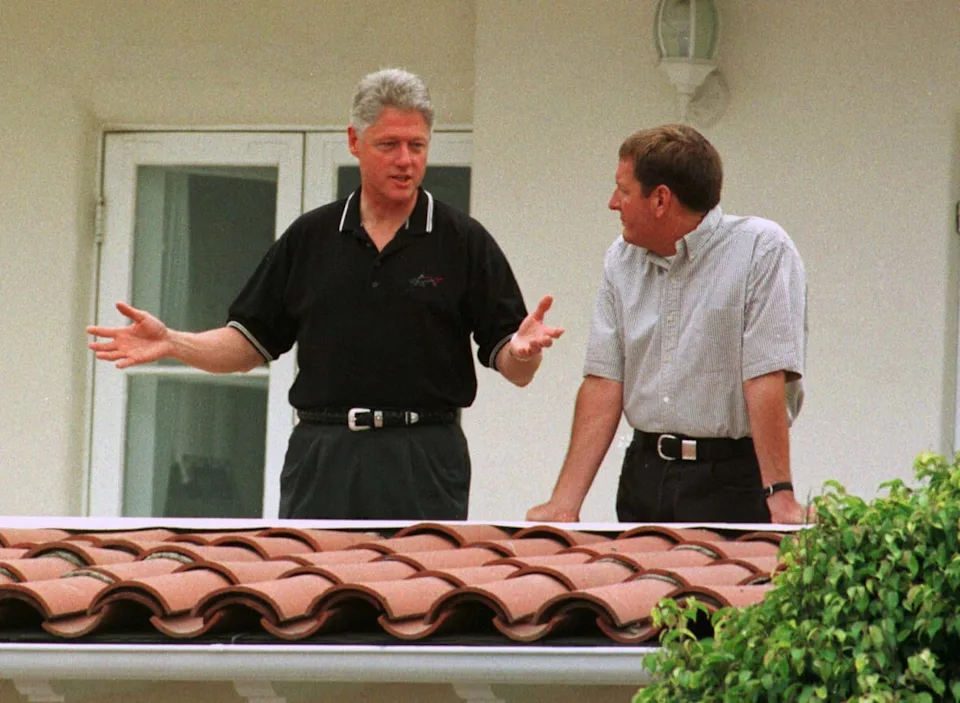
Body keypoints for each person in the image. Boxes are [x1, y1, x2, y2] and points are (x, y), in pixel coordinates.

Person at [88, 68, 563, 521]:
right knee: (311, 583)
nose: (405, 160)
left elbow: (516, 368)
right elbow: (248, 344)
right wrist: (173, 342)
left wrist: (524, 352)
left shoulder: (462, 241)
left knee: (418, 582)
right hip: (322, 456)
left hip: (424, 459)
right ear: (355, 141)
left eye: (417, 145)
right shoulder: (310, 238)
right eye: (389, 145)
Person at [527, 124, 807, 525]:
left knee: (720, 571)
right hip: (644, 474)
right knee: (638, 569)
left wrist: (779, 496)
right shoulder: (620, 260)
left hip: (731, 478)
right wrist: (564, 503)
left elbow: (766, 375)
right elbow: (604, 381)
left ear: (660, 199)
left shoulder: (762, 249)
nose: (613, 203)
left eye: (623, 191)